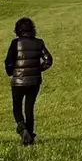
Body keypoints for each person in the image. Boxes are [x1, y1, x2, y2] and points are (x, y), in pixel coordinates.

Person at [4, 17, 53, 146]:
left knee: (17, 107)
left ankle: (22, 129)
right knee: (29, 108)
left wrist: (10, 72)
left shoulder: (15, 43)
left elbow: (8, 61)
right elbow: (48, 60)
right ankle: (29, 136)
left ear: (17, 30)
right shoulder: (39, 42)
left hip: (18, 81)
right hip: (34, 81)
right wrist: (38, 69)